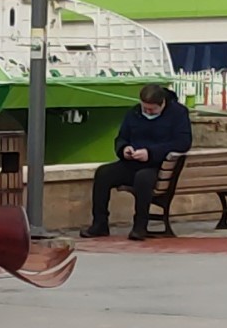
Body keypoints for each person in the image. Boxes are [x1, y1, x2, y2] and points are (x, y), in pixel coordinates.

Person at [79, 84, 192, 241]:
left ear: (162, 104)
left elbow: (183, 142)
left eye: (151, 110)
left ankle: (140, 226)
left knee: (143, 178)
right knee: (103, 173)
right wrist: (124, 149)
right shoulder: (134, 113)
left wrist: (150, 153)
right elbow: (121, 137)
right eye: (144, 108)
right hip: (132, 162)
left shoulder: (178, 114)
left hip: (158, 166)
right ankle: (100, 224)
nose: (147, 112)